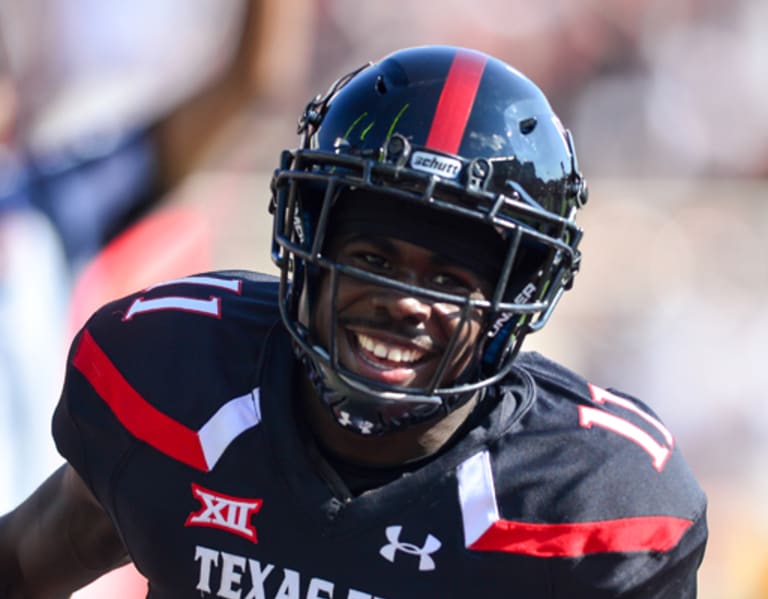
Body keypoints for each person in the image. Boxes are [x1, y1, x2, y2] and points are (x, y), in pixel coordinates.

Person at [0, 45, 707, 598]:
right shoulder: (174, 372)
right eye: (374, 255)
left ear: (510, 301)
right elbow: (22, 566)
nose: (405, 300)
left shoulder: (594, 503)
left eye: (448, 278)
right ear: (310, 244)